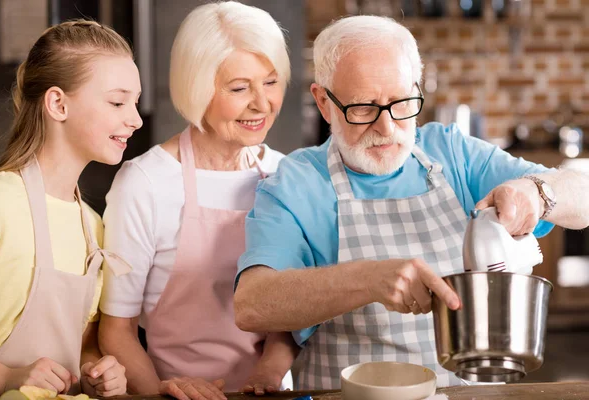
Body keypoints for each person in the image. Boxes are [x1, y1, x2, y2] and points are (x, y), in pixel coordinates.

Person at [233, 15, 589, 390]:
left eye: (402, 102)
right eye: (364, 108)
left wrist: (539, 192)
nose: (386, 128)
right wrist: (368, 280)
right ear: (324, 102)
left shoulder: (453, 153)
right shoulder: (297, 183)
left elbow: (582, 196)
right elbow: (253, 304)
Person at [97, 2, 297, 400]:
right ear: (197, 87)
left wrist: (269, 375)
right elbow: (116, 331)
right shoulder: (145, 184)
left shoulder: (286, 175)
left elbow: (291, 317)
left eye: (270, 82)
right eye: (239, 88)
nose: (262, 103)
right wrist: (162, 394)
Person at [0, 20, 142, 397]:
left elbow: (83, 345)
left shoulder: (93, 227)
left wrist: (95, 371)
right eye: (117, 102)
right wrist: (6, 378)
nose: (135, 119)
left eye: (135, 103)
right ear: (58, 104)